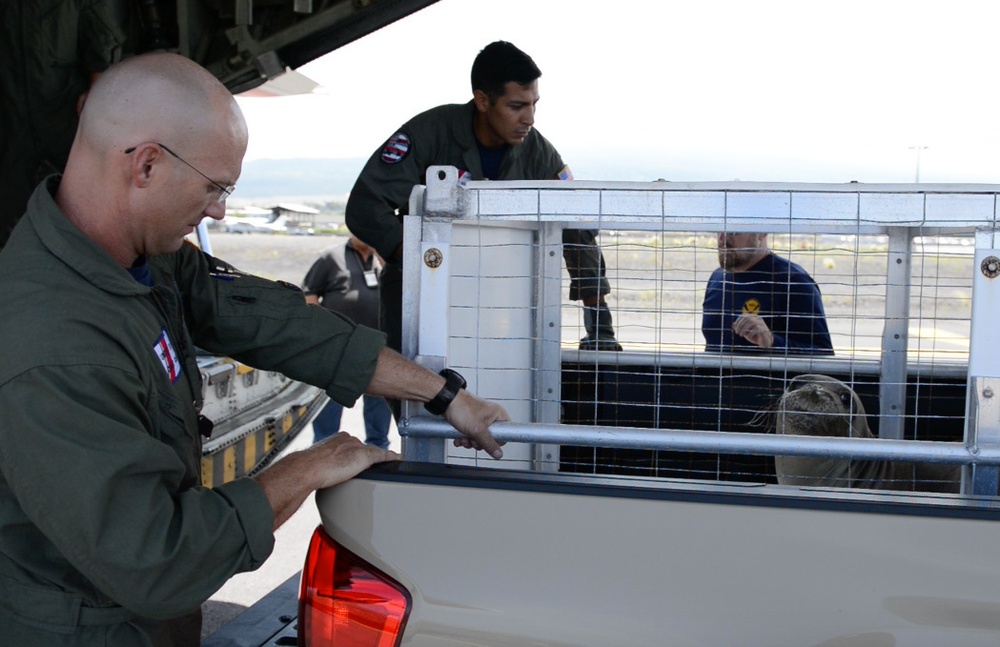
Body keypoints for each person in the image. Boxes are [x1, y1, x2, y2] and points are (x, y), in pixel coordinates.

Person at [0, 52, 507, 646]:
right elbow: (158, 559)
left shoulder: (143, 257)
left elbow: (272, 321)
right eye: (215, 187)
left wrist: (442, 394)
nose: (218, 209)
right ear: (146, 166)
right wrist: (310, 466)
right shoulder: (57, 347)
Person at [345, 40, 622, 361]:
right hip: (423, 302)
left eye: (535, 104)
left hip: (502, 306)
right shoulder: (430, 133)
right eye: (517, 106)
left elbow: (578, 232)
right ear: (482, 100)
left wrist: (600, 325)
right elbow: (366, 205)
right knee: (419, 402)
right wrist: (422, 262)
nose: (529, 118)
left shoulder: (539, 154)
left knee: (504, 399)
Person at [0, 0, 126, 249]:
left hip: (65, 120)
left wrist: (98, 88)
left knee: (83, 228)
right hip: (10, 128)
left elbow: (102, 35)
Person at [302, 235, 393, 448]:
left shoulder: (382, 260)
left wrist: (384, 260)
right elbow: (308, 294)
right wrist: (326, 328)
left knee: (378, 413)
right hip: (336, 350)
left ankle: (378, 454)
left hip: (376, 349)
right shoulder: (331, 257)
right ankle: (322, 454)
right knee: (328, 415)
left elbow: (399, 288)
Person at [702, 232, 834, 355]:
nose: (723, 238)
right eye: (719, 230)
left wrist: (771, 342)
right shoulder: (718, 278)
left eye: (734, 231)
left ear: (762, 232)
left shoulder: (793, 281)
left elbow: (823, 354)